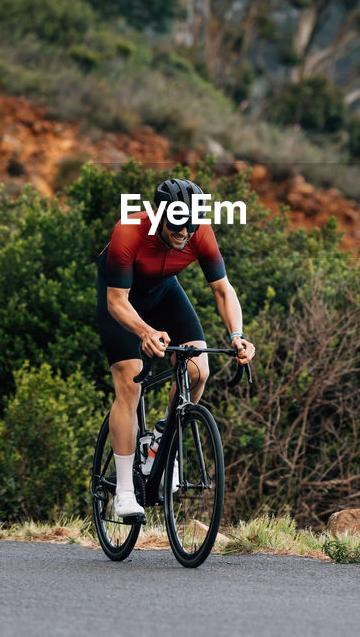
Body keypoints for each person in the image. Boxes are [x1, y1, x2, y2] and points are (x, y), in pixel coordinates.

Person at [96, 177, 255, 518]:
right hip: (123, 302)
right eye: (176, 227)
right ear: (158, 216)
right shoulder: (130, 230)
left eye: (190, 228)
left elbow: (223, 290)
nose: (184, 234)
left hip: (164, 292)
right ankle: (124, 490)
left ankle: (161, 442)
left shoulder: (200, 232)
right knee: (130, 381)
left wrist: (236, 335)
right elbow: (116, 302)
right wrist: (145, 332)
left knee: (199, 370)